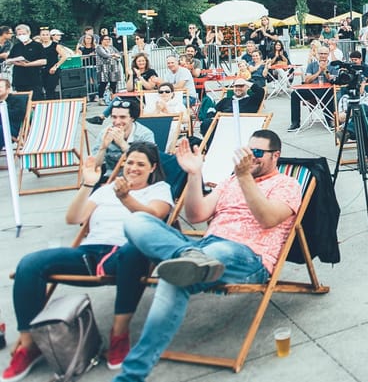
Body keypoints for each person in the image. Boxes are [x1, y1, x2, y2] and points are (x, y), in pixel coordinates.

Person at [114, 131, 301, 382]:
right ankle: (190, 257)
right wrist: (194, 174)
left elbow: (267, 218)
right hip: (206, 248)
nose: (251, 157)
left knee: (181, 271)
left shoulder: (287, 185)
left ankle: (131, 375)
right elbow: (196, 215)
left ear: (275, 156)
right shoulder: (231, 180)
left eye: (257, 153)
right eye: (248, 151)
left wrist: (244, 177)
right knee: (138, 221)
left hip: (247, 256)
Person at [3, 143, 173, 378]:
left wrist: (125, 198)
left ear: (152, 167)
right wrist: (87, 184)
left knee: (133, 252)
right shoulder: (106, 189)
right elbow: (73, 218)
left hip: (125, 252)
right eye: (130, 162)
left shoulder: (159, 190)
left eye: (140, 164)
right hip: (89, 252)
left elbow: (154, 216)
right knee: (29, 264)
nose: (133, 168)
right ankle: (29, 344)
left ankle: (119, 334)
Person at [91, 97, 156, 182]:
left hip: (137, 178)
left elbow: (149, 163)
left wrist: (122, 144)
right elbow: (94, 167)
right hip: (110, 178)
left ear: (132, 118)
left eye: (122, 117)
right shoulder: (105, 133)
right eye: (114, 117)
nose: (117, 122)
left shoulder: (144, 134)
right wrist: (103, 147)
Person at [287, 47, 333, 132]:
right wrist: (319, 71)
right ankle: (295, 123)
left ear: (328, 54)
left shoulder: (332, 65)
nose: (323, 56)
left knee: (329, 94)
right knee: (295, 94)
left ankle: (329, 121)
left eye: (325, 54)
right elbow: (307, 80)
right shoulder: (312, 65)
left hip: (326, 90)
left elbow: (332, 80)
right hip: (312, 89)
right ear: (318, 54)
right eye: (321, 54)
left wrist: (325, 70)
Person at [198, 77, 265, 136]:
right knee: (206, 123)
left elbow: (261, 91)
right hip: (222, 126)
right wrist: (211, 117)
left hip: (242, 127)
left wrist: (245, 82)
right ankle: (210, 145)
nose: (238, 88)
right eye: (236, 86)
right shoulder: (226, 100)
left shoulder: (251, 100)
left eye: (241, 86)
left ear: (247, 87)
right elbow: (213, 109)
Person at [8, 24, 45, 100]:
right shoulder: (16, 46)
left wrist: (27, 64)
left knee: (35, 100)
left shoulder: (37, 46)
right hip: (19, 80)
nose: (22, 36)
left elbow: (43, 61)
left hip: (33, 80)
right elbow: (10, 59)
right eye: (19, 34)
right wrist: (15, 61)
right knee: (21, 101)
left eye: (24, 34)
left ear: (29, 33)